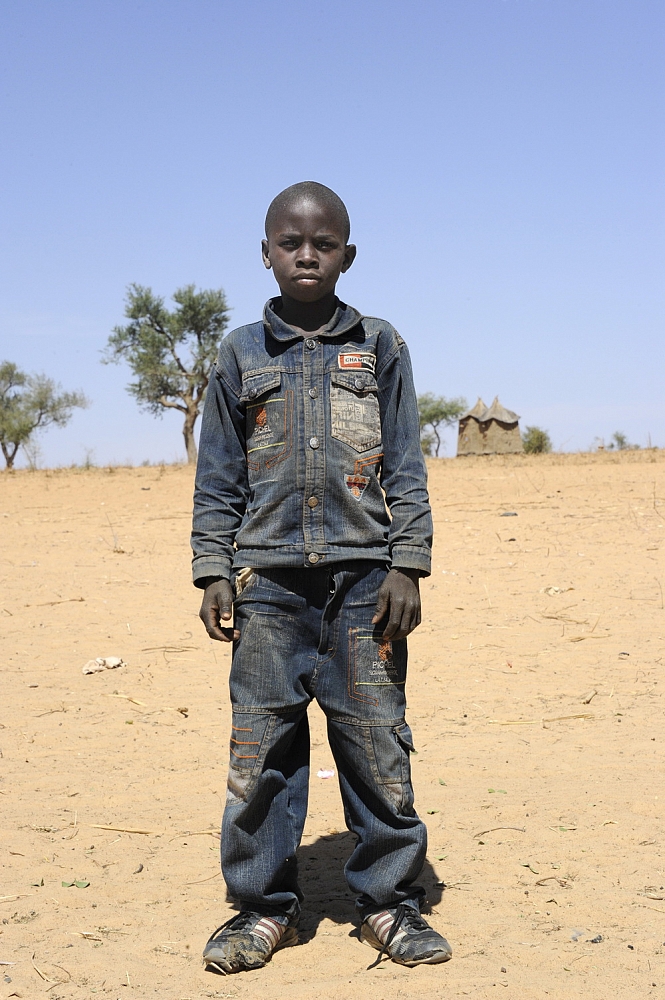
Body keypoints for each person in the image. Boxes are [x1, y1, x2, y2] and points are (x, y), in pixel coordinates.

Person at [191, 181, 452, 974]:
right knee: (261, 750)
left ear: (347, 254)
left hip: (364, 589)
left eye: (324, 242)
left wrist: (407, 562)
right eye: (289, 241)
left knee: (377, 746)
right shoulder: (240, 354)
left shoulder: (379, 346)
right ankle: (261, 909)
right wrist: (212, 571)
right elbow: (218, 479)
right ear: (265, 252)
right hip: (267, 588)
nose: (307, 254)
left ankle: (387, 903)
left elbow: (406, 465)